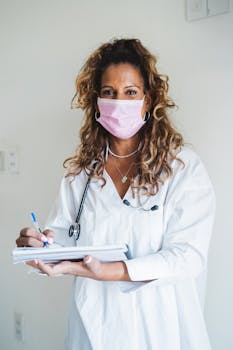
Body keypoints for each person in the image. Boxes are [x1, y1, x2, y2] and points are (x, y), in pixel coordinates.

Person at [16, 38, 216, 350]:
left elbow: (188, 258)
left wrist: (109, 271)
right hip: (94, 326)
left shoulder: (182, 167)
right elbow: (62, 235)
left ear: (148, 101)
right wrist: (42, 245)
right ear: (96, 101)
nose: (118, 101)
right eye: (108, 93)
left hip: (160, 327)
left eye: (130, 92)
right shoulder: (80, 173)